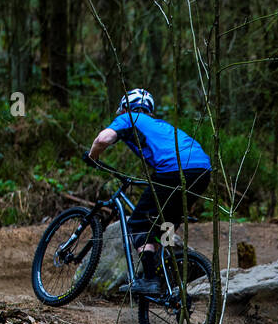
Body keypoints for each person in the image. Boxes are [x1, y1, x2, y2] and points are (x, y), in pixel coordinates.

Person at [87, 88, 212, 294]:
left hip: (174, 170)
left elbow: (103, 139)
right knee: (165, 226)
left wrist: (93, 157)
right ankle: (167, 271)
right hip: (202, 171)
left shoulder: (129, 117)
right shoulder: (162, 125)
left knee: (138, 224)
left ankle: (150, 279)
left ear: (125, 108)